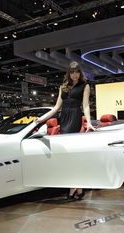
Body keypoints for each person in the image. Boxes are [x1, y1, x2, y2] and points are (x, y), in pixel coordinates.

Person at [35, 61, 96, 200]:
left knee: (70, 155)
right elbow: (56, 107)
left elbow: (86, 106)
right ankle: (78, 189)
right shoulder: (63, 87)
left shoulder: (84, 86)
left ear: (80, 73)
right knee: (68, 155)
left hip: (74, 117)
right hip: (64, 118)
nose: (74, 75)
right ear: (68, 73)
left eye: (77, 72)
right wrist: (41, 119)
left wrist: (88, 123)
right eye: (72, 72)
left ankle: (72, 188)